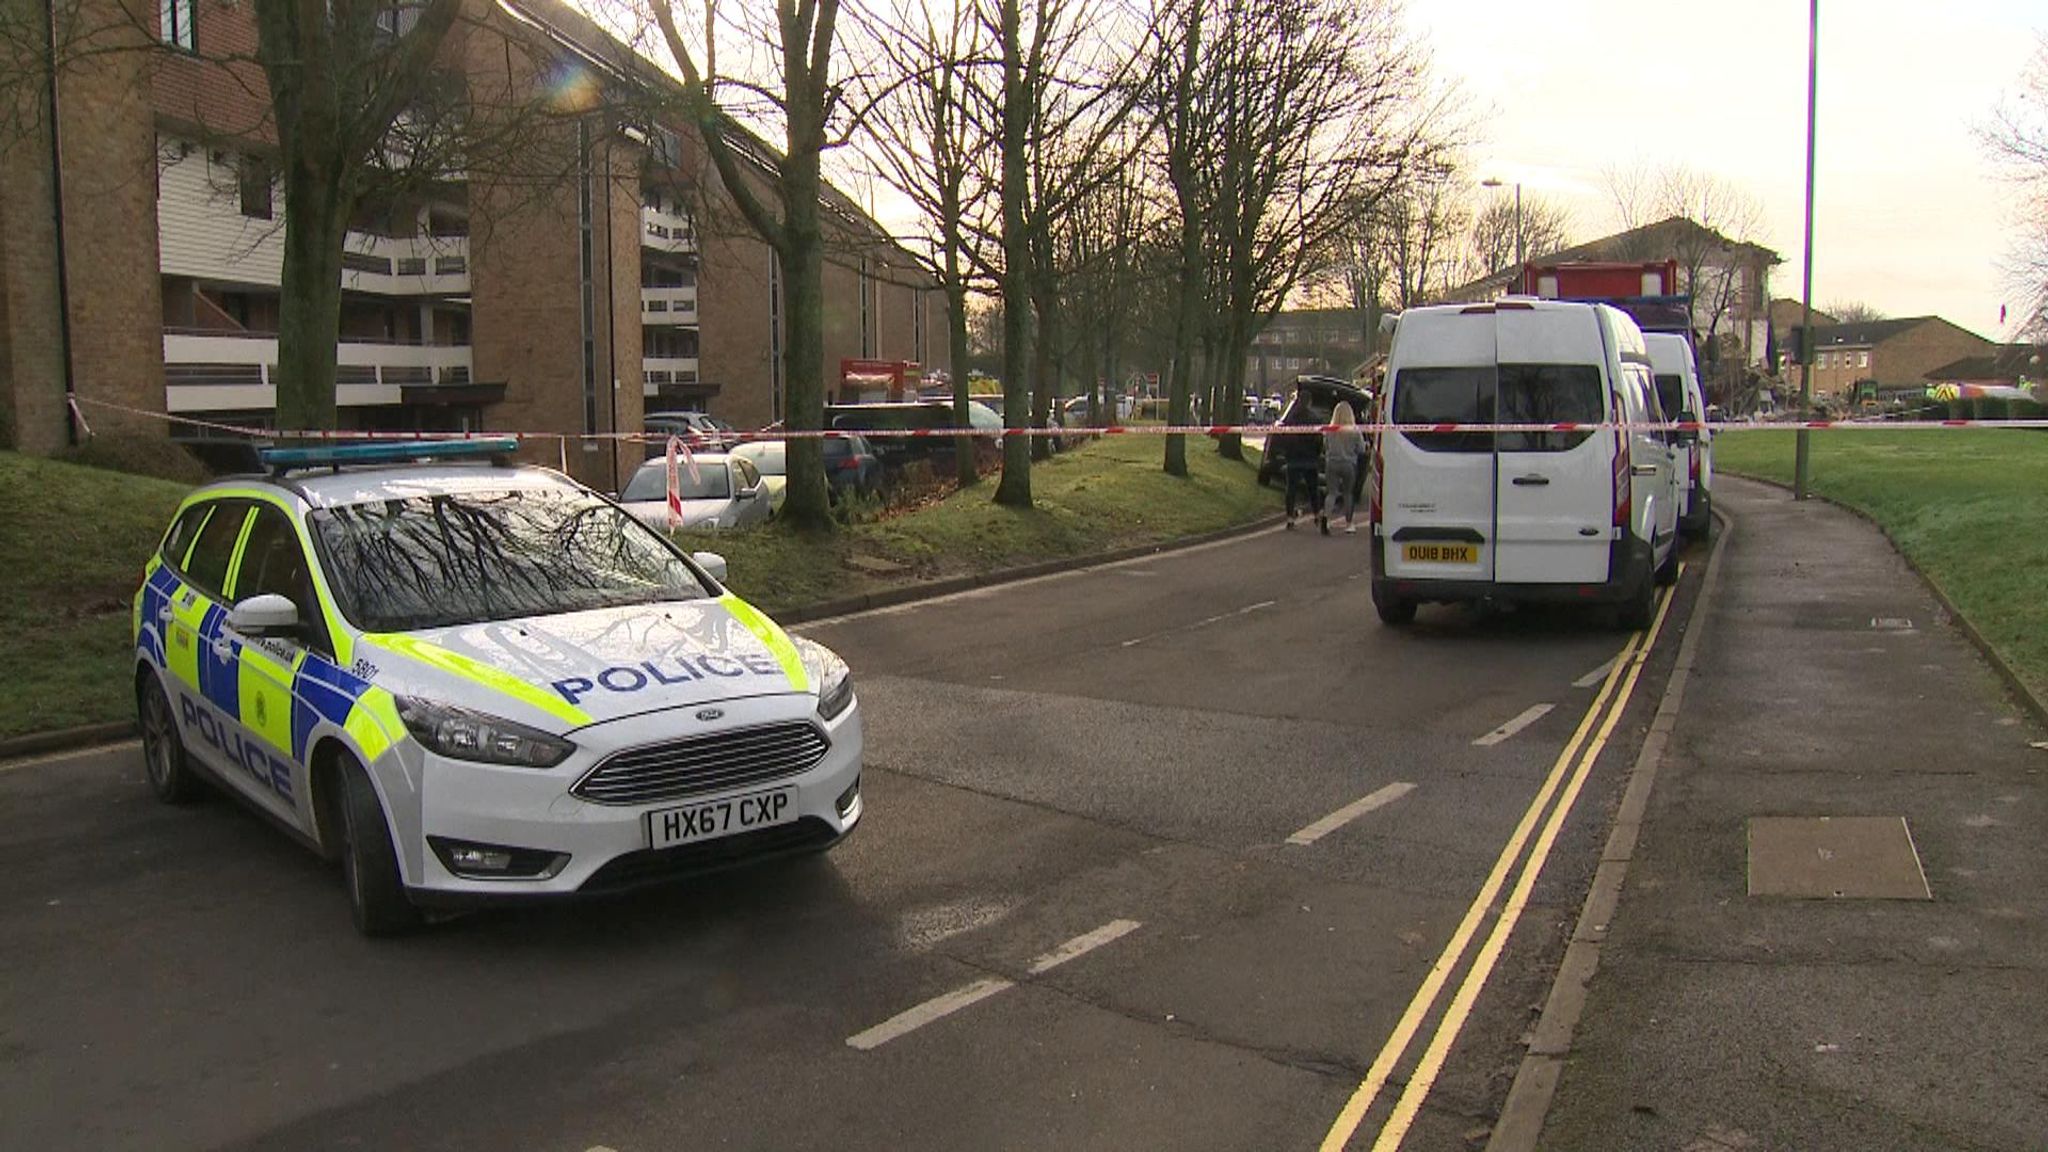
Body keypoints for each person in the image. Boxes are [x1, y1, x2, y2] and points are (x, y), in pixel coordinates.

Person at [1275, 390, 1323, 530]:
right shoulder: (1315, 419)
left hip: (1294, 459)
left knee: (1291, 490)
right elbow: (1318, 440)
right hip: (1310, 460)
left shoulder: (1290, 418)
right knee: (1313, 489)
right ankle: (1316, 515)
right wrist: (1317, 454)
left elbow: (1284, 438)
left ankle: (1290, 518)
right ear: (1309, 402)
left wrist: (1287, 453)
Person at [1323, 400, 1366, 535]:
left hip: (1332, 463)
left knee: (1331, 493)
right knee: (1348, 494)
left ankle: (1326, 518)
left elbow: (1326, 447)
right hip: (1348, 464)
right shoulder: (1354, 430)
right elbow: (1361, 449)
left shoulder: (1330, 430)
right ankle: (1349, 524)